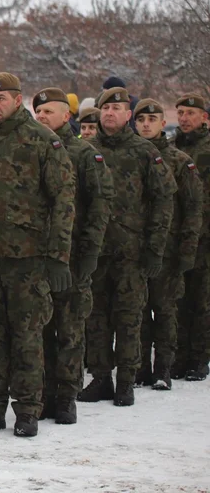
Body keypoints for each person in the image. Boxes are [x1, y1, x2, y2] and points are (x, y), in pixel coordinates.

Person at [0, 74, 75, 439]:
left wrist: (58, 255)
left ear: (18, 101)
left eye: (1, 100)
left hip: (28, 258)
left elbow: (63, 201)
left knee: (27, 337)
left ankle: (28, 409)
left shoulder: (43, 141)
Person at [80, 87, 175, 407]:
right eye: (105, 108)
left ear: (128, 115)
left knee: (130, 317)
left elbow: (163, 201)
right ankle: (101, 377)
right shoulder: (86, 149)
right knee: (95, 317)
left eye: (117, 108)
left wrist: (155, 248)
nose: (110, 113)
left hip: (130, 250)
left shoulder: (145, 151)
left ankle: (126, 380)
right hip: (94, 250)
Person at [34, 87, 113, 425]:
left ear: (67, 116)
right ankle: (44, 396)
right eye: (38, 113)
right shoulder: (32, 150)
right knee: (38, 331)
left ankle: (66, 396)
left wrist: (91, 253)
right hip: (37, 258)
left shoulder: (84, 154)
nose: (42, 118)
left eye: (49, 112)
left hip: (73, 257)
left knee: (69, 330)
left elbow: (99, 207)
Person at [134, 99, 201, 390]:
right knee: (137, 311)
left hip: (168, 250)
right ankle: (140, 368)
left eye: (152, 119)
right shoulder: (129, 157)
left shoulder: (179, 161)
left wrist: (187, 251)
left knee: (165, 310)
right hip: (133, 249)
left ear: (163, 123)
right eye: (141, 119)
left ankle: (163, 368)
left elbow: (193, 209)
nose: (146, 124)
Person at [174, 93, 210, 381]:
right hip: (178, 234)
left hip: (206, 235)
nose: (184, 118)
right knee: (178, 297)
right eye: (181, 113)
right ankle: (179, 355)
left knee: (202, 299)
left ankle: (199, 358)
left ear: (204, 118)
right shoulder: (173, 148)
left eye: (190, 113)